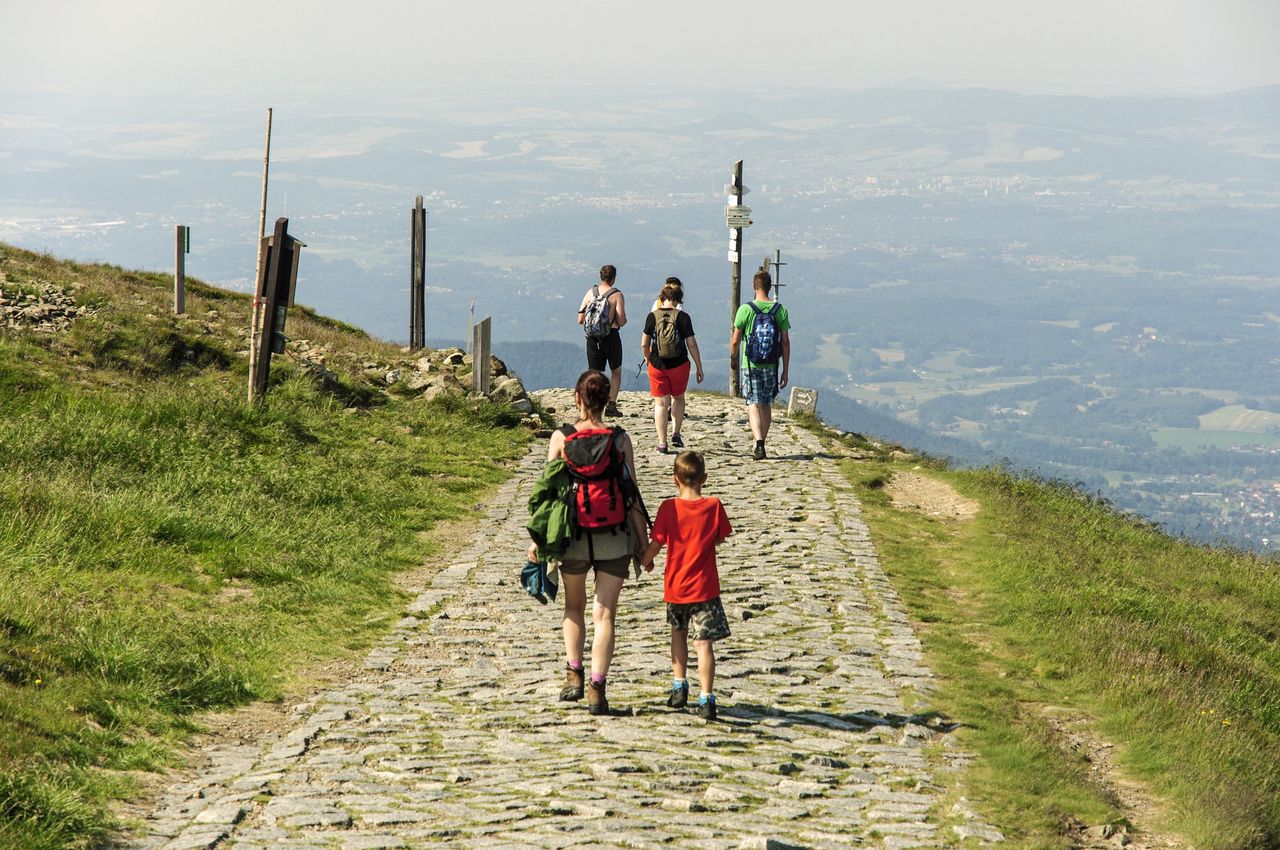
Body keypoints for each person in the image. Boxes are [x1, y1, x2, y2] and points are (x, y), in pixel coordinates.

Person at [526, 369, 643, 715]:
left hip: (572, 535)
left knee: (573, 607)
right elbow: (632, 495)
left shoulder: (561, 438)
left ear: (577, 398)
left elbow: (546, 495)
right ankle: (597, 688)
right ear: (607, 401)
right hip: (614, 536)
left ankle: (573, 674)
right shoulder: (620, 440)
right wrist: (643, 542)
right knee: (605, 614)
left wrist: (537, 541)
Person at [640, 450, 733, 721]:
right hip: (705, 589)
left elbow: (656, 544)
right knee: (704, 645)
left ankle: (679, 686)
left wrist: (645, 560)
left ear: (674, 480)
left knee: (678, 635)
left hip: (677, 587)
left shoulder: (668, 508)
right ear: (704, 478)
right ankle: (707, 698)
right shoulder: (714, 506)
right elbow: (719, 538)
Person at [729, 270, 791, 460]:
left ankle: (759, 443)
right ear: (770, 287)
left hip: (750, 364)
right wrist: (785, 370)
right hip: (772, 365)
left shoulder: (745, 310)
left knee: (754, 403)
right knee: (765, 404)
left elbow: (735, 340)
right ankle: (762, 439)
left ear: (754, 287)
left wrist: (733, 358)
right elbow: (785, 342)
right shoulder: (780, 310)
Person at [641, 278, 703, 454]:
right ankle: (676, 433)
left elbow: (644, 343)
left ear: (663, 297)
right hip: (679, 364)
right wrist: (699, 366)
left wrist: (647, 358)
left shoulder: (652, 316)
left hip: (657, 365)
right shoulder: (683, 317)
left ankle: (662, 443)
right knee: (678, 398)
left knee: (660, 404)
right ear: (678, 300)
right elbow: (691, 344)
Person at [578, 265, 627, 418]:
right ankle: (611, 405)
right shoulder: (617, 295)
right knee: (616, 371)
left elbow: (580, 319)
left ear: (601, 276)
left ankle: (592, 405)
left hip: (592, 338)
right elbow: (621, 320)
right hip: (611, 336)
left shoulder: (590, 292)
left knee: (594, 374)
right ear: (613, 278)